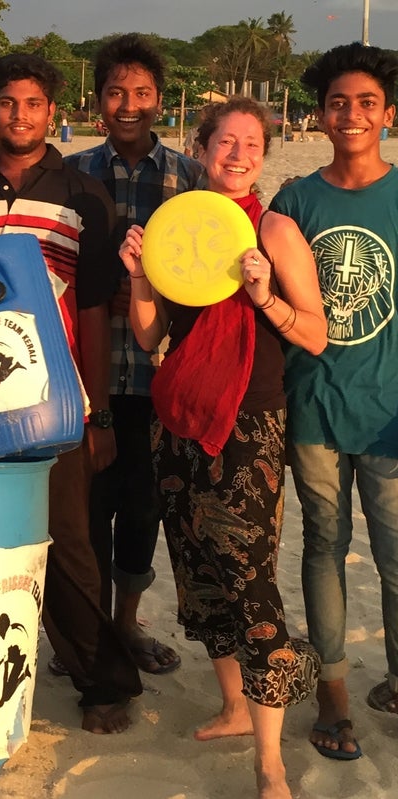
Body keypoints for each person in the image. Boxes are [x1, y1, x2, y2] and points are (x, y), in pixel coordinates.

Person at [0, 53, 142, 734]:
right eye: (5, 103)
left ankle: (103, 681)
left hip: (57, 402)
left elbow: (92, 312)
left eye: (32, 104)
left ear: (54, 111)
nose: (18, 116)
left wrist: (99, 409)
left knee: (70, 542)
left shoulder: (84, 195)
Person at [120, 96, 326, 798]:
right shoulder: (177, 229)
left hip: (247, 424)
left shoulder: (274, 230)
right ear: (200, 146)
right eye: (225, 142)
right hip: (176, 416)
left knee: (252, 582)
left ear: (262, 158)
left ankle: (269, 762)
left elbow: (314, 333)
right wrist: (140, 276)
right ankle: (236, 706)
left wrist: (264, 293)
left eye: (251, 145)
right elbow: (150, 337)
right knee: (198, 574)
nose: (237, 154)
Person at [269, 42, 398, 761]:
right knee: (324, 546)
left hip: (390, 413)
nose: (351, 114)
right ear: (320, 116)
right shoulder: (295, 201)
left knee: (395, 554)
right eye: (338, 102)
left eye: (366, 102)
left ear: (388, 113)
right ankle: (335, 694)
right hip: (315, 405)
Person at [62, 33, 203, 676]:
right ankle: (84, 630)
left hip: (157, 374)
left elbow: (205, 272)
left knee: (142, 508)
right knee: (85, 508)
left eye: (142, 93)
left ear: (158, 100)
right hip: (82, 373)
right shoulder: (72, 176)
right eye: (117, 91)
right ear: (98, 100)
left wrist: (152, 294)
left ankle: (125, 625)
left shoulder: (188, 179)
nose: (129, 104)